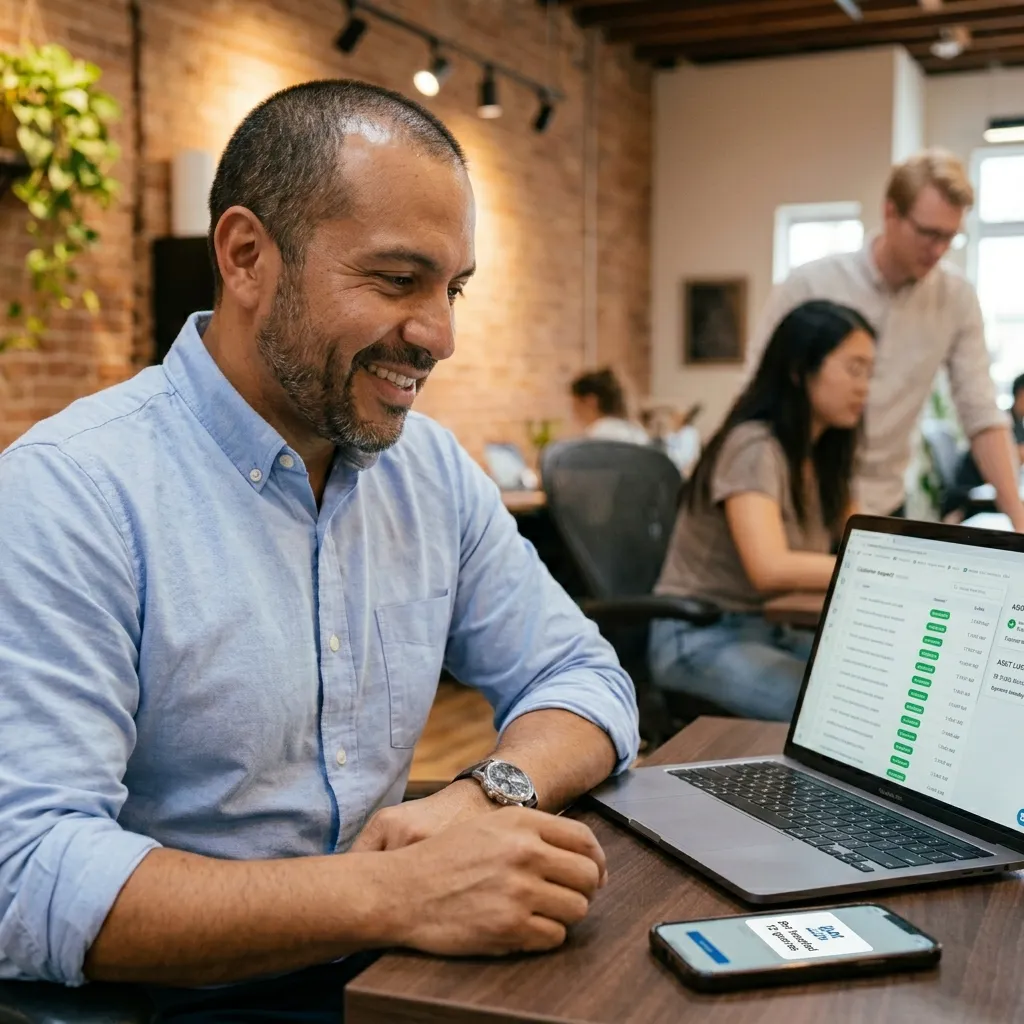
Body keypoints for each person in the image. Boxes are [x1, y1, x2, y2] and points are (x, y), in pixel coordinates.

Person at [0, 80, 640, 1014]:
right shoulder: (72, 490)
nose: (440, 336)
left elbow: (585, 677)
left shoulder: (431, 475)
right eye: (396, 280)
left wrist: (483, 795)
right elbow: (27, 872)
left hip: (397, 968)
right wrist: (393, 894)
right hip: (182, 1000)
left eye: (452, 288)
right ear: (248, 256)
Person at [752, 149, 1024, 529]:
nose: (939, 250)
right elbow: (758, 391)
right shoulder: (812, 285)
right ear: (890, 212)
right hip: (799, 500)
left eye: (951, 237)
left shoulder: (955, 299)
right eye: (928, 233)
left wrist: (1019, 522)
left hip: (884, 501)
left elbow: (980, 411)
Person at [649, 301, 876, 721]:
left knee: (873, 691)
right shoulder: (754, 446)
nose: (864, 386)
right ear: (798, 368)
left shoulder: (821, 458)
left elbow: (865, 542)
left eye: (869, 373)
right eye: (853, 368)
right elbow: (769, 568)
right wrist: (879, 569)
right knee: (832, 715)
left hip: (772, 631)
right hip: (700, 637)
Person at [570, 367, 648, 444]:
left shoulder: (595, 437)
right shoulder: (638, 433)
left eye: (575, 403)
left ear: (591, 401)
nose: (573, 410)